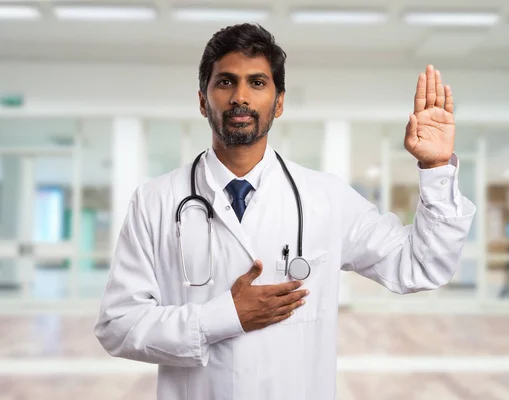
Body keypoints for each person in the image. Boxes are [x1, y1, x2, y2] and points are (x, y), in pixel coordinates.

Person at [94, 23, 475, 400]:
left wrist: (437, 168)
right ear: (202, 100)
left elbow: (420, 265)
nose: (240, 97)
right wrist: (222, 318)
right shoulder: (156, 201)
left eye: (257, 83)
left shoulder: (326, 197)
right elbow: (118, 325)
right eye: (225, 82)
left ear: (278, 102)